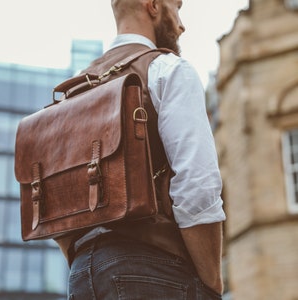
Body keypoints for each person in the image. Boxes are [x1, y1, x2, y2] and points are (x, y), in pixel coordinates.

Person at [55, 0, 226, 299]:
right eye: (178, 7)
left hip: (82, 274)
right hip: (156, 270)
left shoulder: (71, 94)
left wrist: (86, 257)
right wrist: (212, 283)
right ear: (153, 5)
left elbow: (58, 202)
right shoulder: (168, 69)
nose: (182, 24)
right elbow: (198, 188)